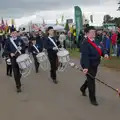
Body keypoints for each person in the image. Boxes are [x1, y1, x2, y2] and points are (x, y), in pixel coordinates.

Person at [80, 26, 108, 106]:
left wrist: (105, 53)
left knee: (91, 78)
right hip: (88, 64)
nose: (93, 33)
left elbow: (102, 48)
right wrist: (85, 67)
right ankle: (93, 99)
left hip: (95, 63)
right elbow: (85, 56)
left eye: (94, 32)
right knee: (92, 81)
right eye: (91, 32)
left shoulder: (97, 40)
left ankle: (83, 88)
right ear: (86, 33)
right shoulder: (85, 43)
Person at [4, 28, 25, 93]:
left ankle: (19, 76)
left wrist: (21, 48)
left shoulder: (20, 39)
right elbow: (5, 50)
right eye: (13, 33)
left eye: (15, 33)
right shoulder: (8, 41)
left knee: (21, 71)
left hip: (20, 57)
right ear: (10, 34)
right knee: (16, 73)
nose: (14, 34)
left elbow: (24, 46)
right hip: (13, 59)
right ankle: (18, 86)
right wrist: (10, 53)